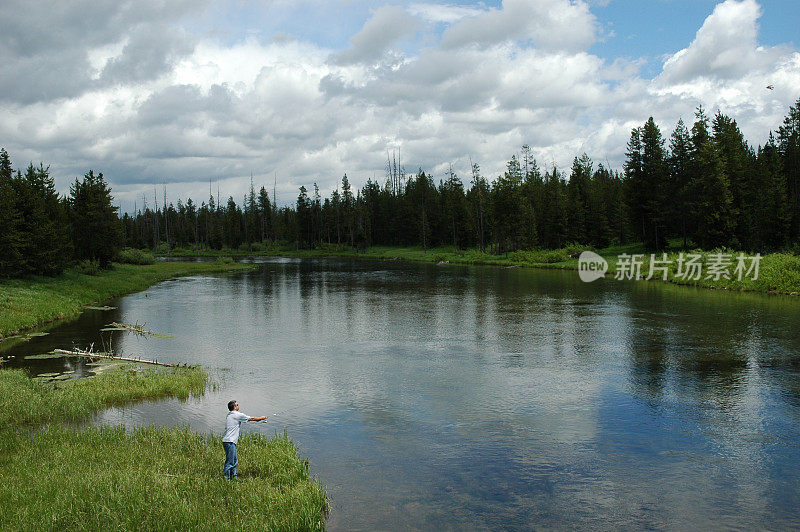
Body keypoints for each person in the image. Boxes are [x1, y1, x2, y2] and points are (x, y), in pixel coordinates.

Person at [222, 400, 267, 480]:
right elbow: (252, 418)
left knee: (234, 460)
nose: (239, 406)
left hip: (228, 441)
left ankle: (234, 477)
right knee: (230, 461)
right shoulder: (236, 415)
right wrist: (261, 418)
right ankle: (226, 479)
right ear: (234, 407)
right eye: (237, 405)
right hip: (230, 441)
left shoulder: (229, 415)